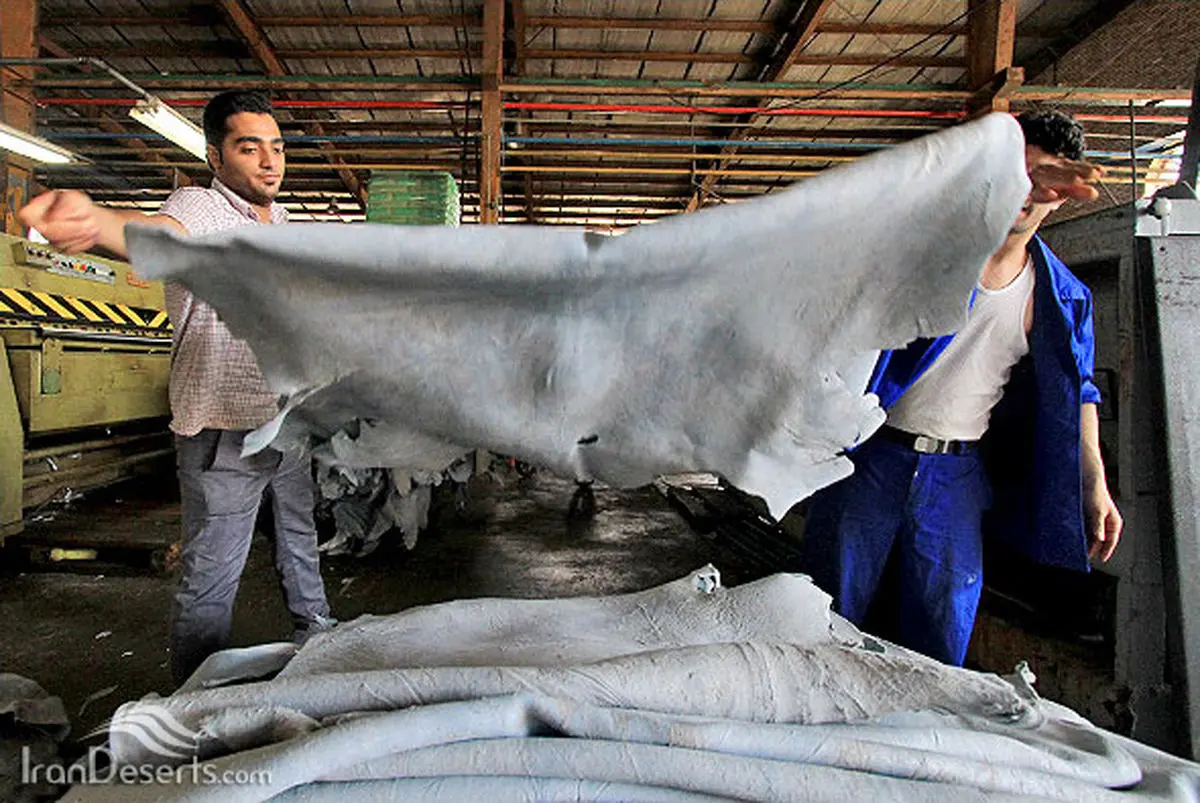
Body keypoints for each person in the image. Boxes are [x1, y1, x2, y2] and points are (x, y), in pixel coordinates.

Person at [18, 91, 334, 684]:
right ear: (216, 157)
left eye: (276, 147)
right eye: (250, 148)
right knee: (213, 571)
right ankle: (192, 693)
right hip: (223, 430)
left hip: (283, 423)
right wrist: (98, 223)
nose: (270, 161)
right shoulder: (202, 208)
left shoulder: (285, 224)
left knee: (300, 541)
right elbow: (161, 234)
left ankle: (319, 643)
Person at [799, 110, 1123, 666]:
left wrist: (1095, 482)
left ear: (1064, 196)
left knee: (942, 628)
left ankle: (926, 721)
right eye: (1017, 173)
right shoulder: (927, 257)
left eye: (1044, 181)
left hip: (956, 476)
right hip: (870, 458)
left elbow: (1079, 392)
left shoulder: (1063, 298)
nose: (1026, 193)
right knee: (827, 610)